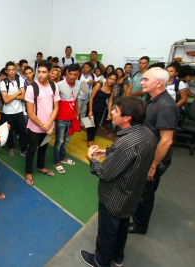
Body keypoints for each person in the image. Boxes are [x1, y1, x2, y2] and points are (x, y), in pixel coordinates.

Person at [80, 97, 156, 267]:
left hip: (115, 196)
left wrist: (91, 159)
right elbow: (130, 156)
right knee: (122, 227)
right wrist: (107, 152)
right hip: (133, 193)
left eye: (116, 110)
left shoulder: (125, 143)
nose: (112, 112)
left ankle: (100, 261)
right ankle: (117, 257)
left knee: (108, 231)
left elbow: (105, 173)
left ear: (127, 117)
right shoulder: (147, 134)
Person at [129, 67, 179, 235]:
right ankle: (136, 217)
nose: (141, 82)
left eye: (145, 80)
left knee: (145, 193)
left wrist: (153, 165)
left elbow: (166, 140)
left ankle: (140, 226)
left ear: (159, 82)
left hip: (154, 159)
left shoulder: (166, 106)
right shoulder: (152, 100)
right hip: (146, 155)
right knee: (140, 189)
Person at [24, 60, 60, 186]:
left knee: (44, 147)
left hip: (49, 126)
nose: (40, 74)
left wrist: (49, 123)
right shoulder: (31, 88)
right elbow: (30, 113)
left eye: (44, 72)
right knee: (32, 149)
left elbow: (56, 107)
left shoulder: (54, 86)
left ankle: (41, 166)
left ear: (50, 73)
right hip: (35, 126)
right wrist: (44, 126)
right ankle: (28, 172)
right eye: (39, 72)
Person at [53, 64, 81, 174]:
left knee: (67, 140)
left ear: (79, 74)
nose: (72, 76)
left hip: (72, 117)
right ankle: (56, 161)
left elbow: (76, 99)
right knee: (59, 140)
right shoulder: (59, 85)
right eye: (70, 73)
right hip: (61, 117)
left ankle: (62, 157)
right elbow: (54, 102)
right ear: (66, 73)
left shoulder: (79, 84)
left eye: (75, 74)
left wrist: (77, 113)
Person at [0, 61, 28, 157]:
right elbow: (5, 100)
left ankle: (23, 148)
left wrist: (9, 96)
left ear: (15, 70)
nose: (11, 72)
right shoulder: (3, 83)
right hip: (8, 112)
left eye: (13, 70)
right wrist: (17, 93)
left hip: (19, 110)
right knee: (9, 131)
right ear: (6, 71)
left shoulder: (20, 80)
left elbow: (24, 96)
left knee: (22, 130)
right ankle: (11, 147)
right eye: (9, 70)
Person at [86, 72, 116, 147]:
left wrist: (109, 113)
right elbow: (91, 97)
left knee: (96, 125)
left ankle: (92, 139)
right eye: (110, 78)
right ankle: (89, 140)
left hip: (101, 108)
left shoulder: (112, 89)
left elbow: (110, 101)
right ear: (107, 78)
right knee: (89, 124)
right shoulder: (99, 85)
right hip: (91, 106)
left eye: (114, 80)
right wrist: (90, 111)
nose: (111, 81)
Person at [107, 68, 128, 138]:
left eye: (120, 72)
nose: (119, 73)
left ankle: (112, 132)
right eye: (117, 72)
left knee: (114, 117)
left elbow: (125, 91)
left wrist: (121, 101)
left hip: (117, 102)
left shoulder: (125, 81)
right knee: (109, 115)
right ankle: (110, 129)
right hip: (110, 100)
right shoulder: (113, 81)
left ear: (123, 73)